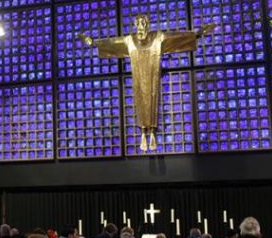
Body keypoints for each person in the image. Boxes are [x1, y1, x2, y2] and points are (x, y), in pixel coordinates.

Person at [80, 15, 214, 151]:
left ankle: (152, 132)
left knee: (152, 97)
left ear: (147, 26)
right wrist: (95, 43)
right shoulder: (129, 40)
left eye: (143, 24)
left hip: (152, 73)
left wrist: (195, 34)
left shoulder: (158, 38)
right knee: (140, 99)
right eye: (138, 24)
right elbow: (113, 43)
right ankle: (143, 132)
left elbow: (176, 38)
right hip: (138, 74)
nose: (140, 27)